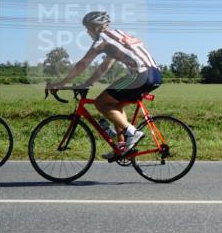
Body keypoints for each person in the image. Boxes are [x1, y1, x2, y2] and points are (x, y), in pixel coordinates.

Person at [50, 11, 162, 159]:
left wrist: (60, 83)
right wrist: (88, 82)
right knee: (115, 105)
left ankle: (132, 132)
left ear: (95, 27)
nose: (87, 31)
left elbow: (83, 63)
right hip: (155, 74)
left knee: (101, 102)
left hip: (140, 75)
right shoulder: (118, 35)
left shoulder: (101, 41)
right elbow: (105, 65)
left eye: (88, 27)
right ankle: (121, 146)